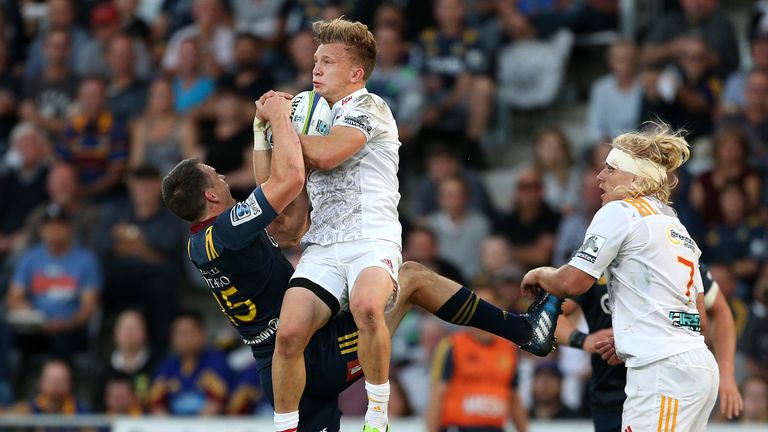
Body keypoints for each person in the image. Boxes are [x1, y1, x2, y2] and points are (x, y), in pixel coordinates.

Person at [161, 96, 561, 431]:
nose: (223, 177)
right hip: (316, 354)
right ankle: (523, 330)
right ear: (211, 197)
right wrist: (280, 120)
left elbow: (286, 228)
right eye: (215, 175)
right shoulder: (231, 227)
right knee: (412, 280)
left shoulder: (202, 243)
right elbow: (289, 182)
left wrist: (259, 133)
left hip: (280, 370)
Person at [521, 123, 719, 431]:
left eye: (611, 169)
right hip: (696, 368)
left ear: (636, 178)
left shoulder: (621, 211)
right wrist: (631, 338)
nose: (600, 177)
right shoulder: (675, 226)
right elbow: (700, 321)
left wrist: (541, 273)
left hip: (661, 372)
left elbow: (571, 283)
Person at [266, 18, 404, 432]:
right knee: (288, 334)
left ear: (356, 73)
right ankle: (286, 426)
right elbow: (271, 182)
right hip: (323, 244)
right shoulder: (311, 114)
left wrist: (281, 125)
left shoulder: (371, 107)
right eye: (315, 60)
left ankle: (377, 412)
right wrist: (264, 134)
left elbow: (327, 155)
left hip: (371, 236)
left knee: (366, 306)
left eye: (327, 61)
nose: (316, 69)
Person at [554, 262, 743, 431]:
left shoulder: (674, 253)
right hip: (610, 391)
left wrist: (726, 373)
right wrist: (584, 340)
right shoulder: (599, 256)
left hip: (664, 381)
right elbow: (551, 315)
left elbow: (716, 312)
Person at [425, 284, 529, 432]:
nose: (482, 315)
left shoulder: (508, 349)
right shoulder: (451, 345)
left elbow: (514, 398)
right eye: (477, 308)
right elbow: (437, 395)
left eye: (487, 307)